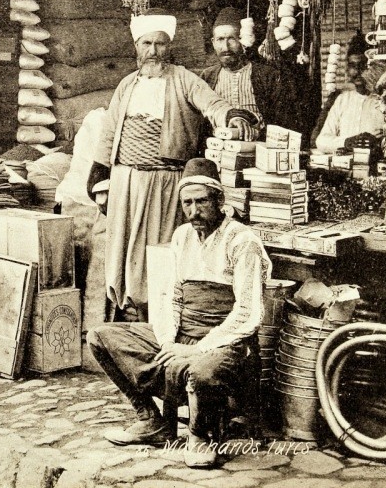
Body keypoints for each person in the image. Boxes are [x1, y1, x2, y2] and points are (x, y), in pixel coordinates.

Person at [87, 158, 270, 468]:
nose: (194, 211)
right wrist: (169, 342)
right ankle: (150, 420)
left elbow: (248, 312)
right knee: (100, 337)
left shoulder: (243, 241)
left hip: (226, 341)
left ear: (219, 201)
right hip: (185, 333)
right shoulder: (182, 236)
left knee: (202, 371)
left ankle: (200, 435)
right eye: (187, 203)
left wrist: (197, 348)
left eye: (201, 201)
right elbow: (172, 297)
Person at [88, 10, 234, 320]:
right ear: (136, 47)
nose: (153, 51)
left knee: (159, 252)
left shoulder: (183, 79)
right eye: (147, 44)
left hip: (164, 183)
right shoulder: (126, 85)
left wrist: (229, 116)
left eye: (160, 44)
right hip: (126, 182)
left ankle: (157, 317)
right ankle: (128, 315)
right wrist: (100, 175)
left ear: (169, 47)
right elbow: (109, 133)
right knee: (124, 253)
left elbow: (211, 103)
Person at [197, 7, 299, 140]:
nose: (226, 47)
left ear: (244, 39)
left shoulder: (267, 75)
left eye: (232, 39)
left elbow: (283, 123)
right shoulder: (207, 77)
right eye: (220, 39)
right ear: (213, 42)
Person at [313, 31, 386, 154]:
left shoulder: (383, 101)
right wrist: (346, 142)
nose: (357, 71)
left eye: (363, 65)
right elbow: (321, 141)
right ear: (347, 69)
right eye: (353, 65)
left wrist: (378, 143)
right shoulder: (342, 100)